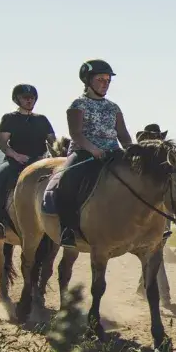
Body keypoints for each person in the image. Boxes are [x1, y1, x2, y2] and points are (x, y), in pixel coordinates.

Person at [57, 59, 132, 248]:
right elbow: (76, 133)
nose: (105, 83)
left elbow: (123, 134)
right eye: (100, 79)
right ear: (88, 80)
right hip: (84, 153)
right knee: (66, 180)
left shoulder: (113, 107)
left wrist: (132, 151)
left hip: (113, 153)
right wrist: (94, 150)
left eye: (108, 80)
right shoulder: (78, 105)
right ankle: (68, 229)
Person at [0, 84, 56, 239]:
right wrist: (16, 156)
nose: (29, 100)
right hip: (15, 161)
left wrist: (52, 156)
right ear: (16, 99)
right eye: (25, 98)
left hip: (40, 161)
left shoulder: (42, 119)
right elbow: (2, 143)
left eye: (32, 98)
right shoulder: (9, 118)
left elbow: (53, 141)